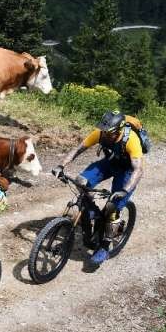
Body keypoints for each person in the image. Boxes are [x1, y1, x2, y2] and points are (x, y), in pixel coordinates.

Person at [51, 110, 145, 265]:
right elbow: (78, 149)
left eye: (110, 133)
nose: (105, 135)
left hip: (127, 171)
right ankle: (92, 212)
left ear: (119, 131)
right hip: (110, 164)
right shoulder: (100, 133)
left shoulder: (131, 139)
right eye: (104, 131)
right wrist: (61, 165)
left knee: (112, 207)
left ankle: (104, 246)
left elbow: (138, 169)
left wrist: (125, 190)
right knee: (81, 182)